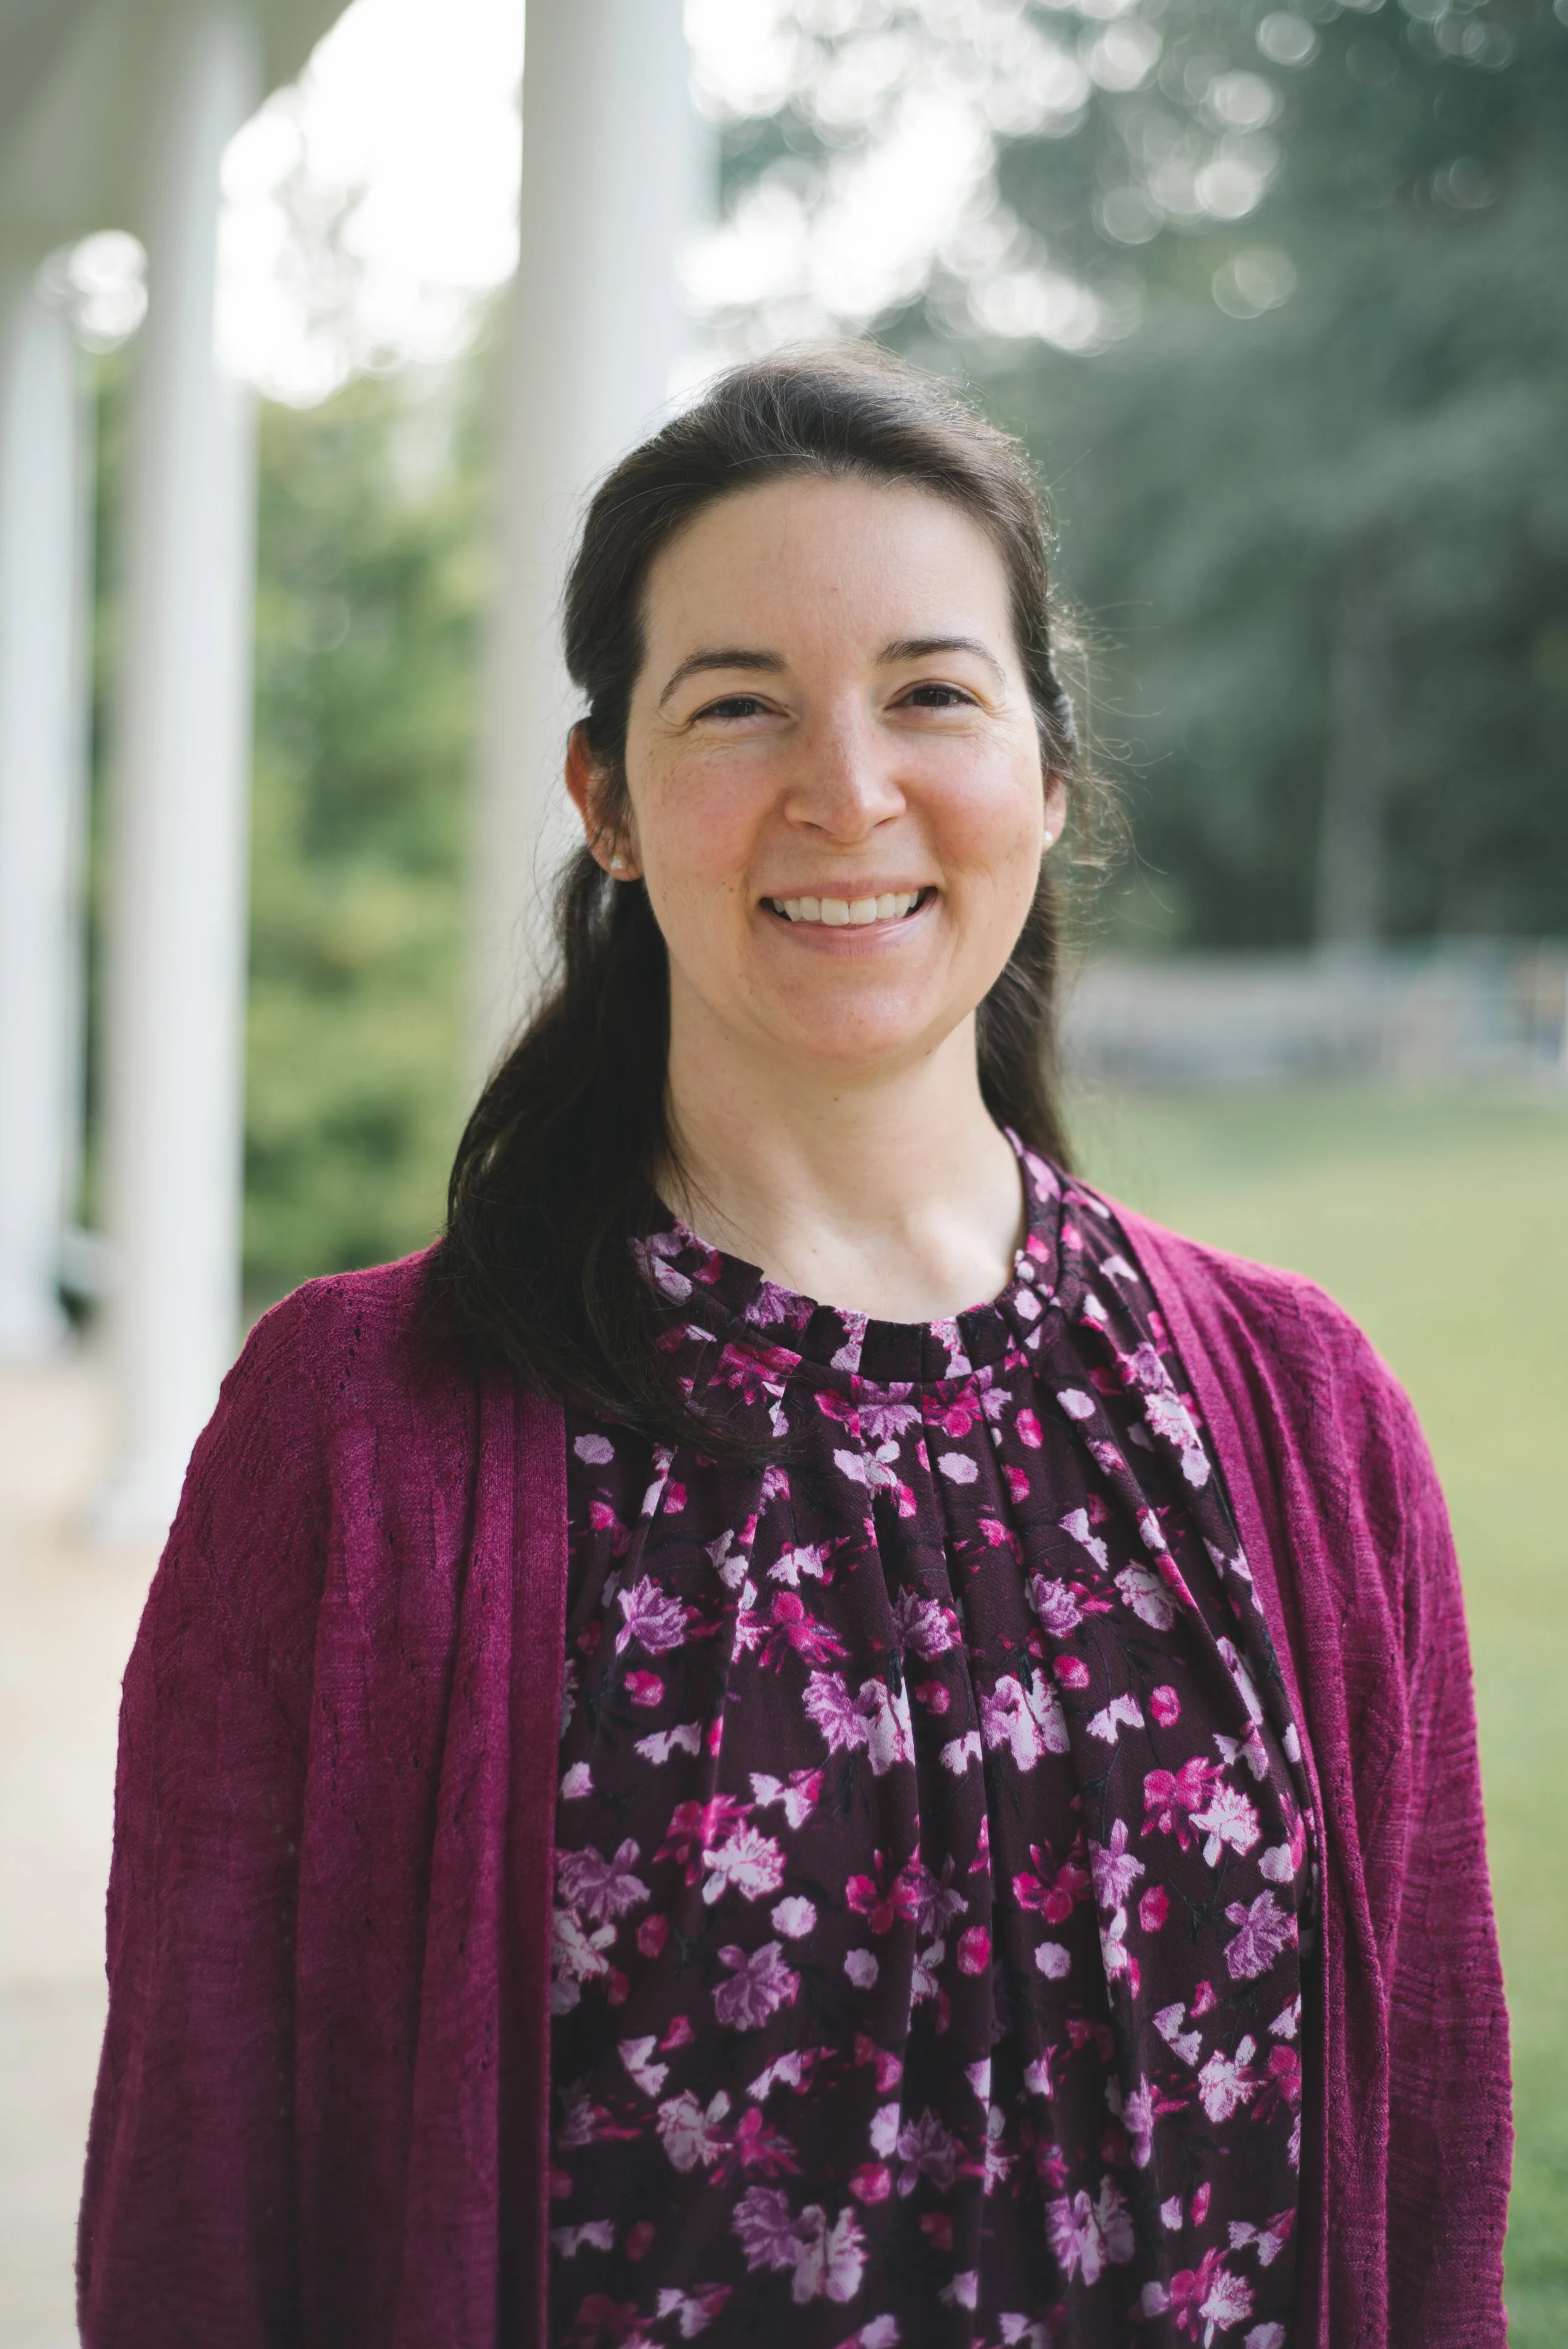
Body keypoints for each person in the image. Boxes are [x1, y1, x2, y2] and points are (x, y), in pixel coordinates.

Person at [78, 347, 1510, 2349]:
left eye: (932, 693)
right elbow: (194, 2217)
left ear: (1044, 774)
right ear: (610, 799)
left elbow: (1430, 2172)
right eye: (738, 704)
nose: (847, 791)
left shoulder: (1305, 1413)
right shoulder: (354, 1433)